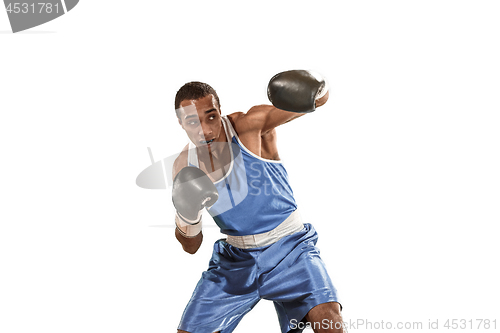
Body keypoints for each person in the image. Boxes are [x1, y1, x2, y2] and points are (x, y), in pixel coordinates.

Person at [171, 70, 344, 333]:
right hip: (235, 261)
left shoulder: (251, 125)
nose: (205, 130)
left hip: (290, 247)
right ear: (181, 124)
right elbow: (190, 246)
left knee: (329, 320)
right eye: (193, 122)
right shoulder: (185, 166)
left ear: (219, 111)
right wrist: (187, 213)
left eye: (211, 117)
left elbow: (318, 100)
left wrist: (316, 86)